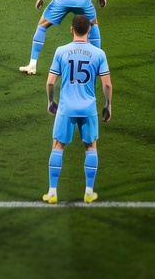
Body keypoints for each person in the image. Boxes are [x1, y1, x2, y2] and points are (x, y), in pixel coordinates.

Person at [43, 14, 111, 203]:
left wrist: (50, 101)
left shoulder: (61, 51)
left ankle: (52, 192)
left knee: (58, 145)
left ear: (71, 29)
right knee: (91, 146)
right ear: (89, 29)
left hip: (66, 107)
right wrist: (108, 105)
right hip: (88, 108)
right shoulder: (99, 53)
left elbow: (50, 82)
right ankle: (89, 191)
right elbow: (107, 84)